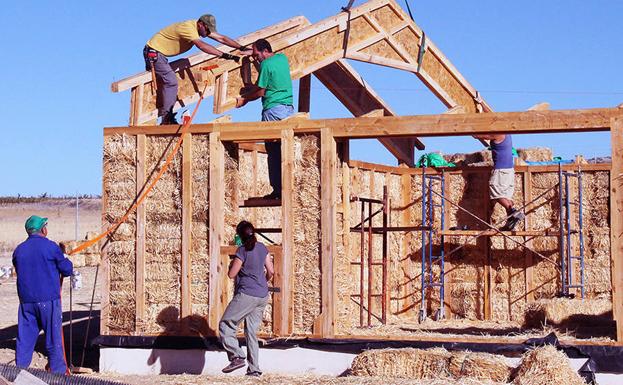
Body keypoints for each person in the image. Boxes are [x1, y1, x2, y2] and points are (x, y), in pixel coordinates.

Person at [144, 14, 250, 125]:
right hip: (154, 52)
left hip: (161, 55)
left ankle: (166, 116)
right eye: (207, 30)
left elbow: (222, 38)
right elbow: (202, 46)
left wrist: (241, 47)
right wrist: (225, 55)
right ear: (200, 24)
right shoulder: (188, 28)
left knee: (168, 80)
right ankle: (167, 118)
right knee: (171, 82)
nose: (208, 33)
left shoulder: (199, 28)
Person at [12, 216, 73, 374]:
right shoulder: (51, 247)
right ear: (43, 229)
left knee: (24, 341)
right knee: (53, 340)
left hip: (26, 302)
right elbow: (67, 270)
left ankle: (19, 374)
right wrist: (67, 260)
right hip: (48, 301)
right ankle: (58, 375)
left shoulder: (18, 250)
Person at [236, 38, 294, 199]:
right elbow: (268, 83)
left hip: (273, 110)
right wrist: (252, 88)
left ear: (264, 51)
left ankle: (277, 191)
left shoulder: (265, 65)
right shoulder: (282, 58)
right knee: (287, 149)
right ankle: (288, 188)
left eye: (256, 54)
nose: (255, 58)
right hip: (287, 109)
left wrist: (245, 99)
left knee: (273, 150)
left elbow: (262, 92)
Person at [219, 221, 273, 377]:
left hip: (247, 295)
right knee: (251, 333)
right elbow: (271, 271)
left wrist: (233, 264)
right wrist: (262, 282)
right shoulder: (262, 248)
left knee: (226, 323)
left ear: (240, 236)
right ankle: (254, 370)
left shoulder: (242, 251)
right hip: (262, 296)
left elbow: (231, 274)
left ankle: (237, 356)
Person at [472, 134, 524, 230]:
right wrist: (479, 137)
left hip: (501, 169)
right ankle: (511, 221)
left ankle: (514, 212)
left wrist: (476, 134)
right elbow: (488, 144)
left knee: (496, 192)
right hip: (508, 170)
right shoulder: (506, 135)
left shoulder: (500, 133)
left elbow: (487, 137)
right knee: (505, 196)